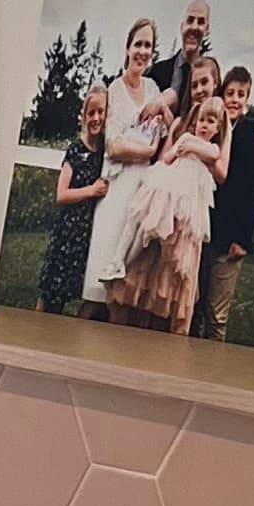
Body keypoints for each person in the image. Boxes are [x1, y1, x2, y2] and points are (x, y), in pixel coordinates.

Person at [107, 59, 228, 333]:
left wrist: (199, 144)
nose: (199, 89)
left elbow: (221, 170)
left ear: (215, 83)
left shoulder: (219, 128)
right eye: (195, 84)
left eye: (204, 83)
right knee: (146, 275)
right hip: (168, 209)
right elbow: (165, 160)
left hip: (191, 220)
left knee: (175, 284)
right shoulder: (182, 123)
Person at [81, 19, 174, 306]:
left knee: (124, 285)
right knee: (100, 273)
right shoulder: (115, 89)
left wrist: (162, 107)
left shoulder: (153, 87)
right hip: (118, 188)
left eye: (148, 45)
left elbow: (170, 130)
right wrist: (146, 151)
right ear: (127, 48)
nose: (142, 51)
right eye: (138, 44)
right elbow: (113, 144)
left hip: (143, 189)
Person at [194, 62, 254, 340]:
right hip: (206, 229)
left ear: (247, 98)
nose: (234, 100)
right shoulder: (213, 127)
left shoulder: (251, 132)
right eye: (231, 93)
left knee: (216, 315)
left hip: (231, 238)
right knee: (196, 308)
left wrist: (244, 239)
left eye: (241, 95)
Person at [40, 80, 109, 314]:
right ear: (84, 116)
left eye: (101, 112)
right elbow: (61, 194)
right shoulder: (76, 149)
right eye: (92, 113)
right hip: (68, 234)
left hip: (88, 236)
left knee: (81, 296)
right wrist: (90, 190)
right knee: (51, 295)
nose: (96, 118)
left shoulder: (105, 153)